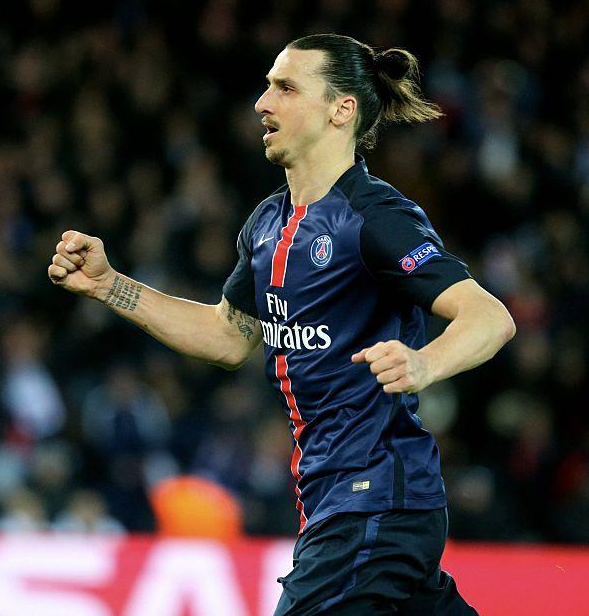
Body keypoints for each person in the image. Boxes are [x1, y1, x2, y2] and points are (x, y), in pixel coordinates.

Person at [49, 33, 514, 615]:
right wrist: (109, 285)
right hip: (341, 503)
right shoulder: (268, 224)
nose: (262, 103)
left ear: (340, 110)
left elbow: (489, 317)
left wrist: (425, 362)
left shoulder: (375, 217)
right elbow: (227, 337)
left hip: (373, 500)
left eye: (286, 88)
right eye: (268, 85)